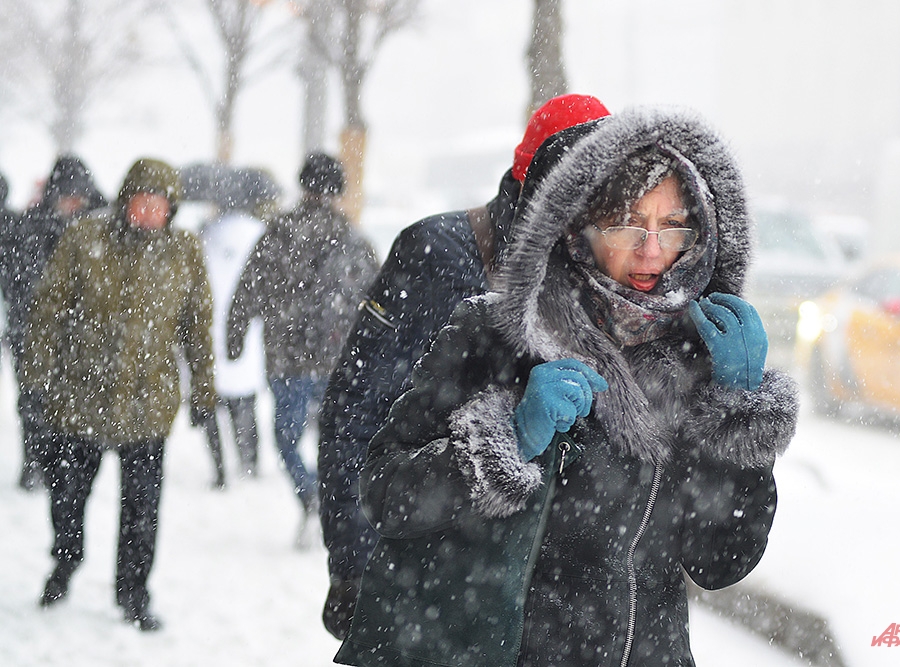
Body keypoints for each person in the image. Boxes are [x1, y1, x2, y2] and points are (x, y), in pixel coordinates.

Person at [334, 108, 799, 666]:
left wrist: (739, 415)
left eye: (674, 224)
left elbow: (720, 562)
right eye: (627, 224)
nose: (652, 250)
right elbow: (386, 493)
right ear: (578, 230)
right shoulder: (493, 335)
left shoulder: (695, 360)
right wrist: (506, 440)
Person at [316, 93, 611, 639]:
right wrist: (353, 564)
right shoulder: (438, 251)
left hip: (539, 611)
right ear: (534, 178)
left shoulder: (606, 278)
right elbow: (355, 409)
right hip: (429, 585)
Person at [21, 158, 217, 631]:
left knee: (141, 513)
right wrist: (36, 377)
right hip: (80, 397)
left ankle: (133, 593)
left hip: (147, 405)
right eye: (141, 202)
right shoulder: (84, 239)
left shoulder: (184, 252)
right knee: (67, 497)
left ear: (172, 209)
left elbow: (197, 327)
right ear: (125, 200)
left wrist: (204, 391)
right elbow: (48, 310)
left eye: (159, 205)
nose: (148, 212)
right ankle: (65, 562)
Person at [227, 152, 378, 546]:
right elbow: (378, 301)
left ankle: (311, 494)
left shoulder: (278, 233)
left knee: (287, 439)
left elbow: (248, 288)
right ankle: (332, 504)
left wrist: (235, 335)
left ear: (303, 185)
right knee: (338, 440)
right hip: (338, 360)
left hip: (287, 359)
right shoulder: (354, 240)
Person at [0, 156, 107, 492]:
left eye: (78, 196)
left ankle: (63, 466)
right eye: (66, 196)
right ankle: (35, 463)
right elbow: (17, 279)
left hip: (80, 338)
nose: (72, 203)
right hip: (31, 331)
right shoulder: (30, 227)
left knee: (73, 406)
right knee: (33, 403)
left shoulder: (100, 230)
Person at [197, 167, 279, 486]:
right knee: (243, 403)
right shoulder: (261, 233)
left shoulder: (208, 234)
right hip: (245, 331)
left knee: (210, 404)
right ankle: (249, 461)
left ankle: (219, 469)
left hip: (208, 329)